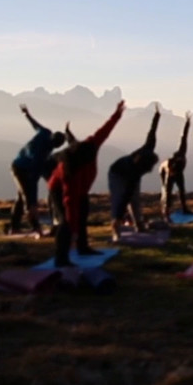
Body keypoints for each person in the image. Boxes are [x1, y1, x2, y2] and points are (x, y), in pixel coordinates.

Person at [47, 101, 125, 267]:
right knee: (66, 222)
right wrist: (73, 231)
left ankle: (83, 247)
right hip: (59, 190)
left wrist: (117, 114)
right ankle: (61, 258)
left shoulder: (90, 145)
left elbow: (104, 131)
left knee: (83, 213)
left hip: (81, 190)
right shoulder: (70, 172)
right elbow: (70, 203)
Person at [8, 104, 66, 236]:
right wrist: (34, 201)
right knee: (28, 199)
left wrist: (27, 114)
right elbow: (33, 178)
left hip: (19, 164)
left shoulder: (46, 133)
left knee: (21, 197)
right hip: (20, 169)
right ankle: (36, 228)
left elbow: (36, 126)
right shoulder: (41, 154)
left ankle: (14, 227)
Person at [108, 103, 161, 239]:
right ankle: (116, 227)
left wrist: (157, 116)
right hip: (116, 173)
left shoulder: (148, 149)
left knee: (135, 199)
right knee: (121, 198)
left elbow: (152, 133)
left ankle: (139, 225)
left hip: (128, 171)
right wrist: (118, 216)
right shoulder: (134, 171)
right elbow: (125, 197)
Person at [159, 111, 193, 221]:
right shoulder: (169, 166)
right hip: (164, 171)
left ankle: (184, 209)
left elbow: (184, 136)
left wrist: (187, 123)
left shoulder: (182, 152)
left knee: (181, 189)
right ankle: (166, 212)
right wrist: (171, 172)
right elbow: (167, 191)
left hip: (176, 171)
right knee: (167, 191)